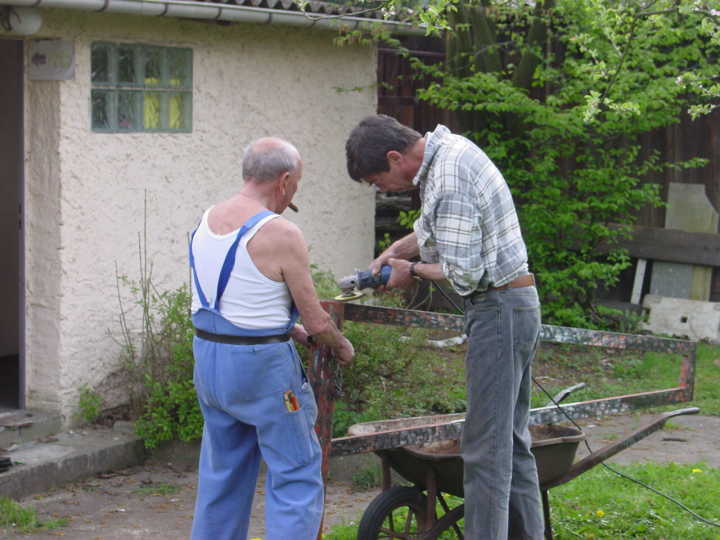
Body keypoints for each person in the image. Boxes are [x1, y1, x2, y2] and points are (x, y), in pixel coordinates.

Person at [346, 115, 543, 540]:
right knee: (510, 443)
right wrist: (394, 252)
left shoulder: (449, 176)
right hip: (513, 304)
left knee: (485, 450)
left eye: (379, 180)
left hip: (498, 309)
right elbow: (431, 231)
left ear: (395, 157)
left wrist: (412, 271)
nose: (384, 189)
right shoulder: (448, 157)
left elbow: (465, 274)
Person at [189, 137, 354, 540]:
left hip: (209, 361)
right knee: (296, 471)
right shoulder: (281, 232)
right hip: (261, 370)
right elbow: (316, 321)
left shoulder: (206, 221)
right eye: (295, 187)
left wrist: (285, 327)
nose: (292, 197)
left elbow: (237, 303)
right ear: (284, 181)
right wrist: (341, 345)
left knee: (223, 474)